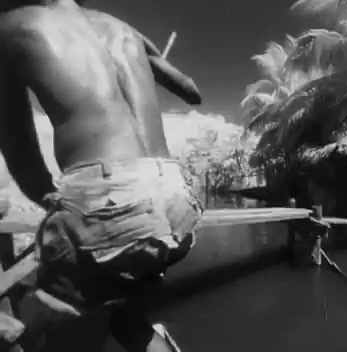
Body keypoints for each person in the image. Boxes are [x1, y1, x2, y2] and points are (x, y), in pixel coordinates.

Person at [0, 0, 203, 351]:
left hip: (110, 197)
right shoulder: (122, 28)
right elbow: (190, 91)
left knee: (29, 308)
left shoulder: (9, 26)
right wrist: (145, 56)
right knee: (130, 324)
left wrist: (52, 203)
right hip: (176, 198)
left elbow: (18, 143)